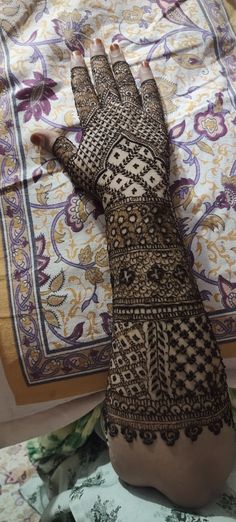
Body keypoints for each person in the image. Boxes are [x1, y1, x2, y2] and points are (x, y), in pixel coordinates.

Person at [31, 38, 236, 509]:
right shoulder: (216, 472)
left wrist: (127, 201)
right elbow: (201, 483)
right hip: (181, 463)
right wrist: (139, 197)